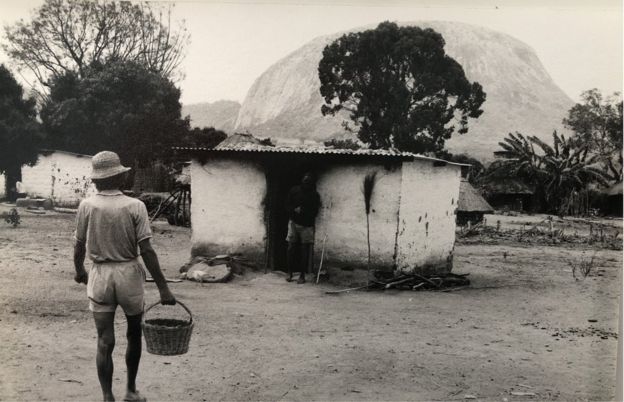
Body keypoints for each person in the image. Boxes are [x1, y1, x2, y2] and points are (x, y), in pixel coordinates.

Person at [73, 151, 176, 402]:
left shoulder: (87, 205)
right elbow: (147, 251)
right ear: (120, 177)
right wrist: (164, 288)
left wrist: (79, 270)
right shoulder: (135, 206)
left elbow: (78, 246)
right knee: (133, 333)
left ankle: (108, 397)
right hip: (129, 274)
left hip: (100, 275)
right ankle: (130, 390)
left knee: (105, 340)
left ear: (96, 180)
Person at [285, 172, 321, 284]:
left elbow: (315, 212)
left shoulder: (314, 195)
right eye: (304, 181)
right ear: (301, 181)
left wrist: (304, 211)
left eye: (308, 182)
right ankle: (290, 273)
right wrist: (293, 210)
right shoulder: (294, 190)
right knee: (291, 248)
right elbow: (286, 204)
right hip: (293, 223)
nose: (306, 183)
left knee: (304, 251)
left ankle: (302, 275)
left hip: (307, 225)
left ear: (311, 183)